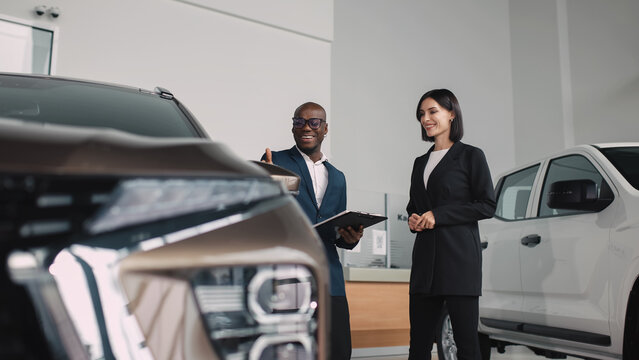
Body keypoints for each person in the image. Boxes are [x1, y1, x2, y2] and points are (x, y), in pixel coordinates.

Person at [261, 101, 363, 360]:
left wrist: (350, 238)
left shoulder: (338, 177)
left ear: (325, 129)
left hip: (330, 278)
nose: (306, 127)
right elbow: (263, 215)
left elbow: (336, 231)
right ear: (293, 127)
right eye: (299, 122)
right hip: (289, 276)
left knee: (338, 351)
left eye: (313, 122)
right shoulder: (278, 161)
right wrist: (265, 180)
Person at [406, 89, 496, 360]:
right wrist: (413, 219)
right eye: (422, 114)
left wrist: (439, 215)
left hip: (459, 262)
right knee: (418, 345)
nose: (426, 118)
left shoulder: (471, 156)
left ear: (451, 113)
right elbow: (415, 206)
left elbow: (487, 205)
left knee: (466, 346)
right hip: (425, 264)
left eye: (433, 111)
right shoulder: (420, 162)